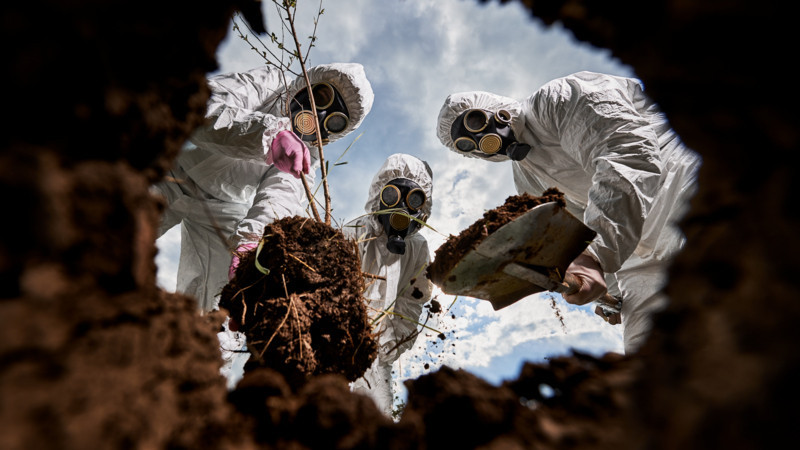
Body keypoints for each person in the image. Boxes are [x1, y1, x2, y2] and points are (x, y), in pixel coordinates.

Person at [436, 71, 700, 354]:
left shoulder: (558, 99)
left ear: (492, 105)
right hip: (634, 253)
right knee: (653, 357)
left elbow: (628, 154)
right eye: (468, 145)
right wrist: (611, 292)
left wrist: (598, 256)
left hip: (679, 190)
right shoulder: (528, 180)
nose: (481, 140)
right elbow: (577, 237)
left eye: (475, 121)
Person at [151, 63, 373, 387]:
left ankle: (188, 387)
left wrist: (252, 244)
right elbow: (203, 107)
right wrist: (266, 135)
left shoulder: (306, 155)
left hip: (223, 210)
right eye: (319, 97)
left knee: (221, 309)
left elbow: (278, 198)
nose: (316, 115)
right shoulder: (271, 81)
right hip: (172, 168)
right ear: (306, 83)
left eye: (332, 120)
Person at [343, 153, 434, 417]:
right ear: (379, 195)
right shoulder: (353, 234)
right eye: (393, 196)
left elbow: (412, 302)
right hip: (336, 342)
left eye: (413, 200)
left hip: (375, 358)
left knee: (372, 425)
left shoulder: (417, 249)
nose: (401, 209)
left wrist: (386, 346)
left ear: (422, 209)